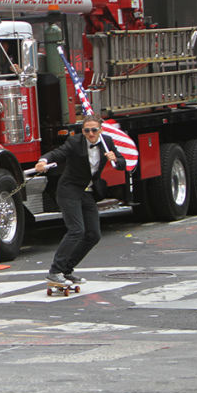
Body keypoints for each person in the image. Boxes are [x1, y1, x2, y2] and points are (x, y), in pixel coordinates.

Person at [34, 115, 126, 285]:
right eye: (87, 130)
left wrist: (115, 159)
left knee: (93, 235)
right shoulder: (75, 142)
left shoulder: (107, 142)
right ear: (82, 131)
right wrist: (43, 160)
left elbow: (122, 163)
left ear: (101, 130)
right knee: (76, 230)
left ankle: (67, 270)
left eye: (94, 130)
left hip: (87, 191)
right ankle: (55, 271)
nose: (91, 134)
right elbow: (58, 153)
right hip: (69, 190)